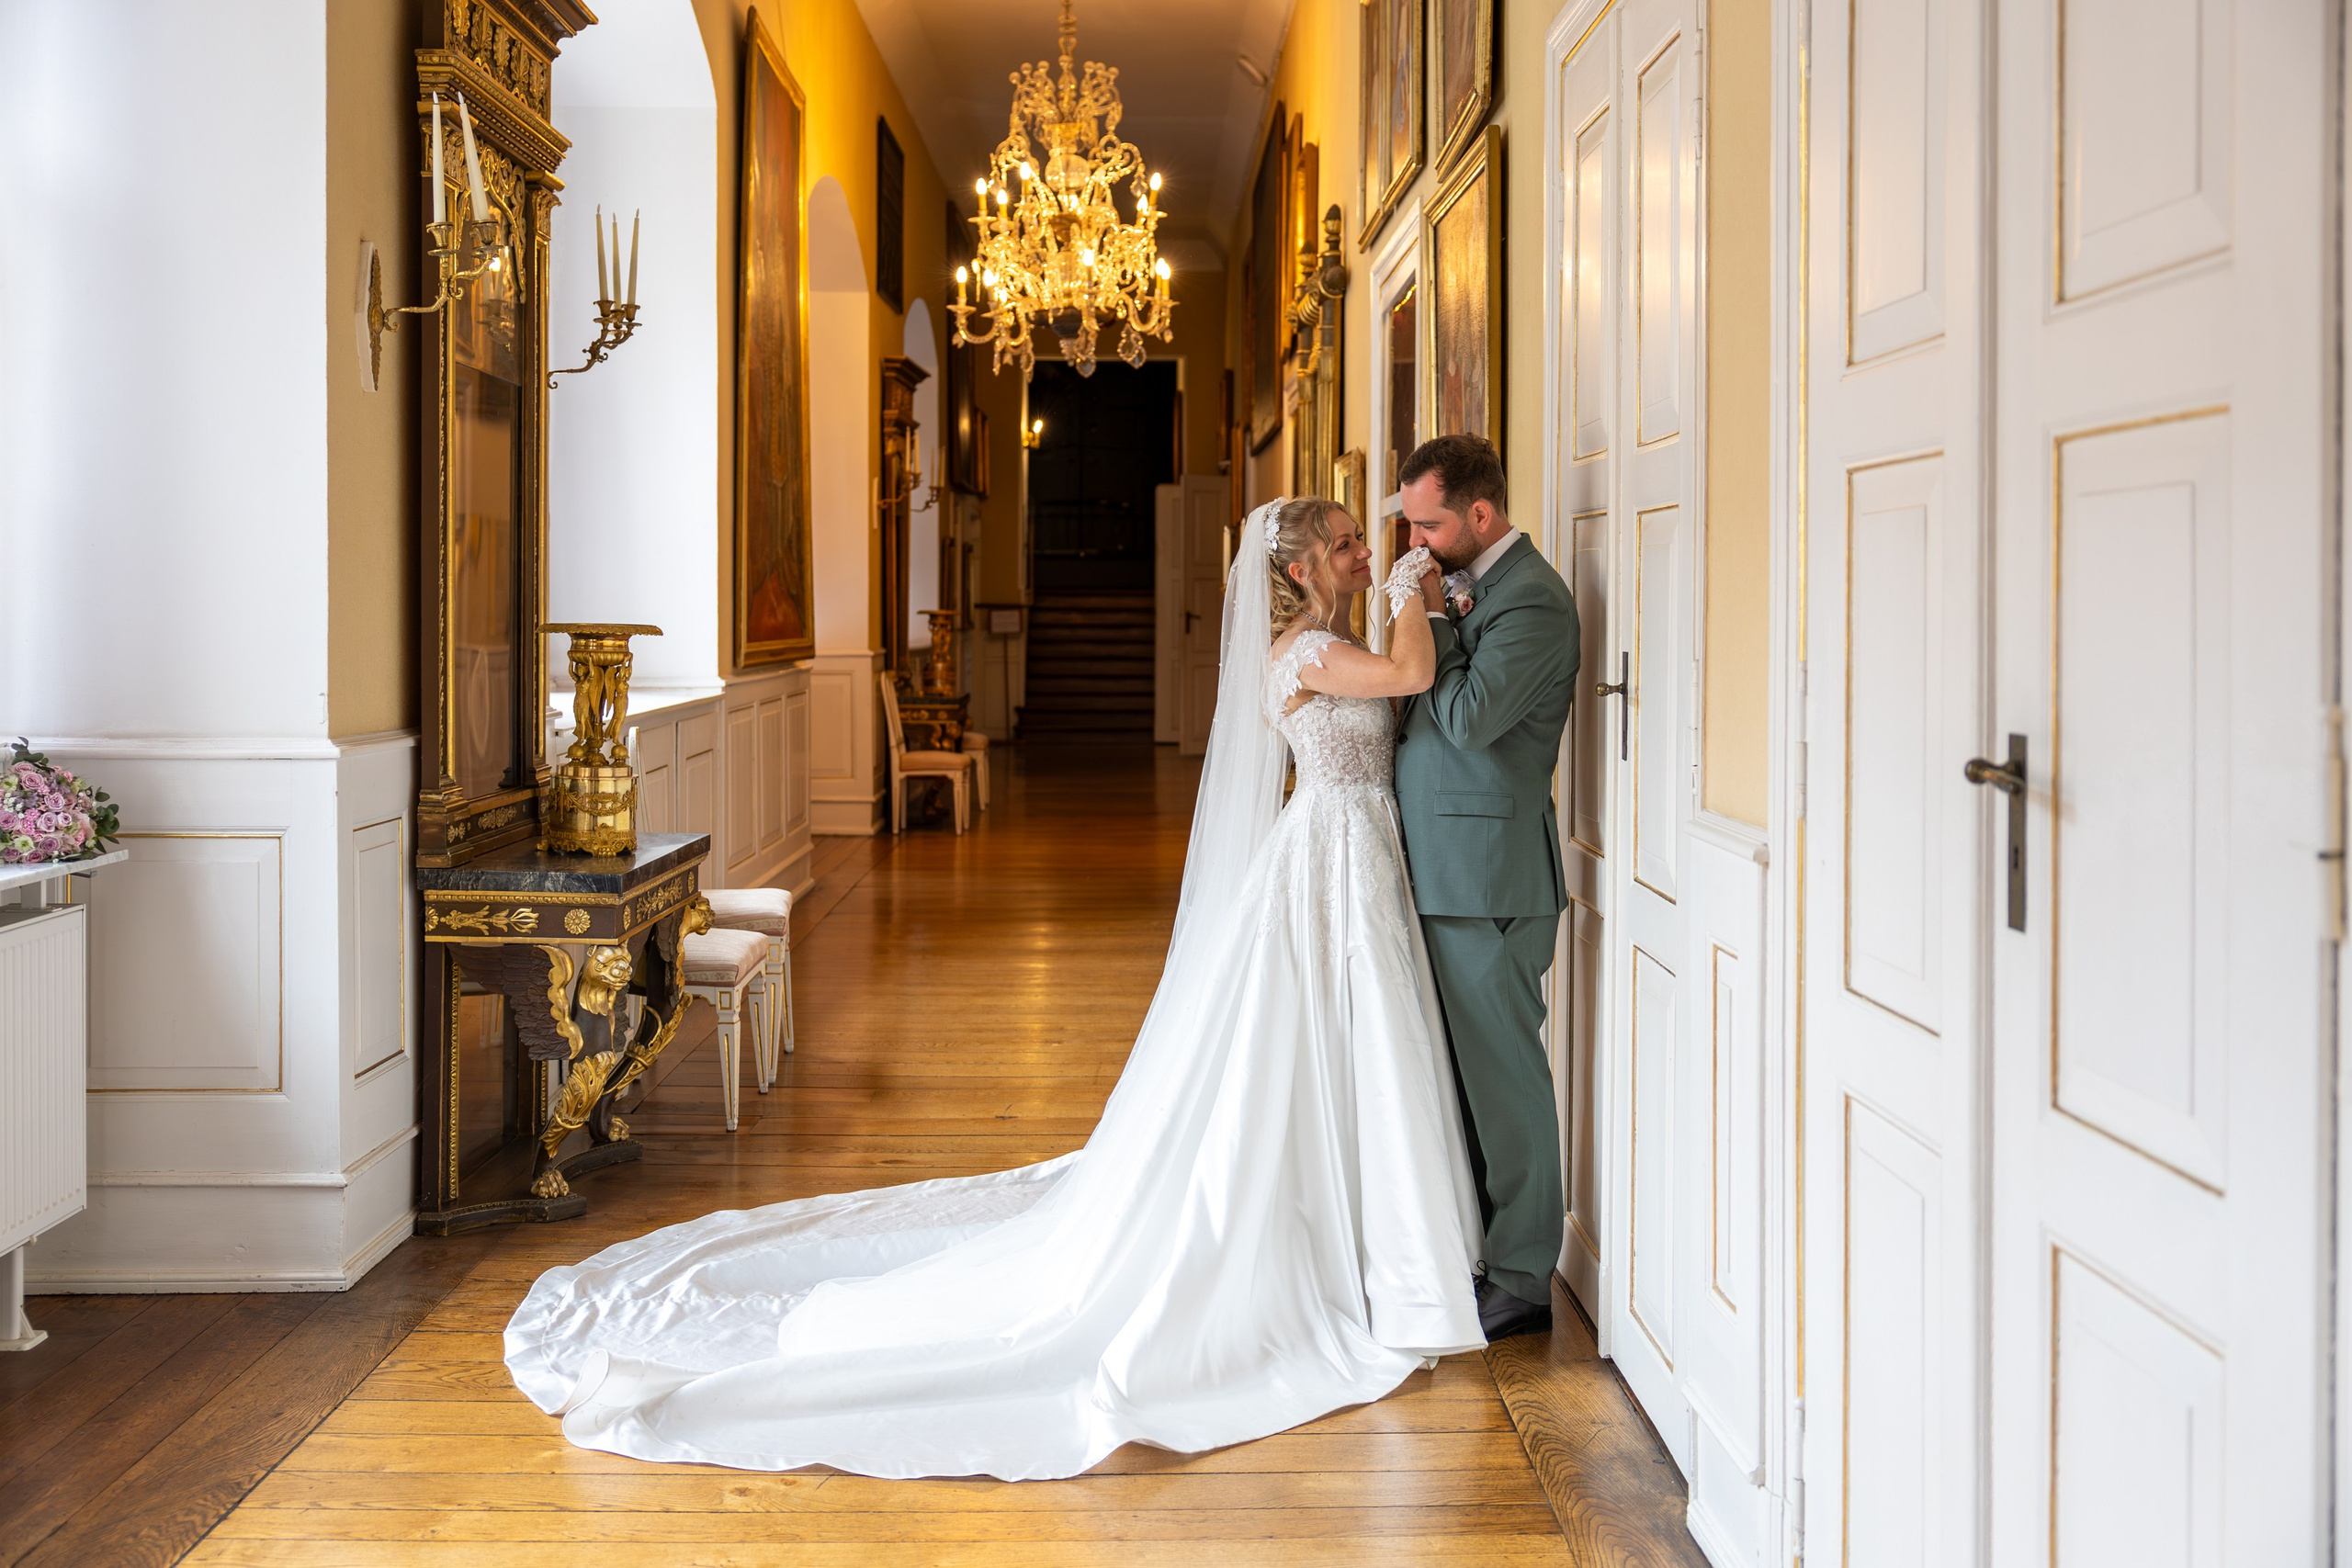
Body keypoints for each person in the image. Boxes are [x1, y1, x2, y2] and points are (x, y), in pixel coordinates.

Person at [504, 497, 1488, 1481]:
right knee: (1314, 1037)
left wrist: (1406, 596)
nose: (1367, 553)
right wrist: (1415, 588)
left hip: (1361, 853)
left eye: (1368, 541)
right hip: (1330, 851)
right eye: (1351, 543)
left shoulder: (1332, 639)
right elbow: (1408, 675)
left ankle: (1373, 1231)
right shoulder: (1303, 656)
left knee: (1356, 1039)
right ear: (1308, 564)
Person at [1394, 434, 1581, 1343]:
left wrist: (1432, 622)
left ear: (1480, 512)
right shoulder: (1468, 586)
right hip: (1440, 870)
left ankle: (1521, 1277)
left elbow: (1466, 720)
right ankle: (1478, 1246)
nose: (1417, 544)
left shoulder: (1536, 603)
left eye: (1429, 523)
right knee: (1462, 1082)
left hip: (1491, 878)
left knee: (1506, 1084)